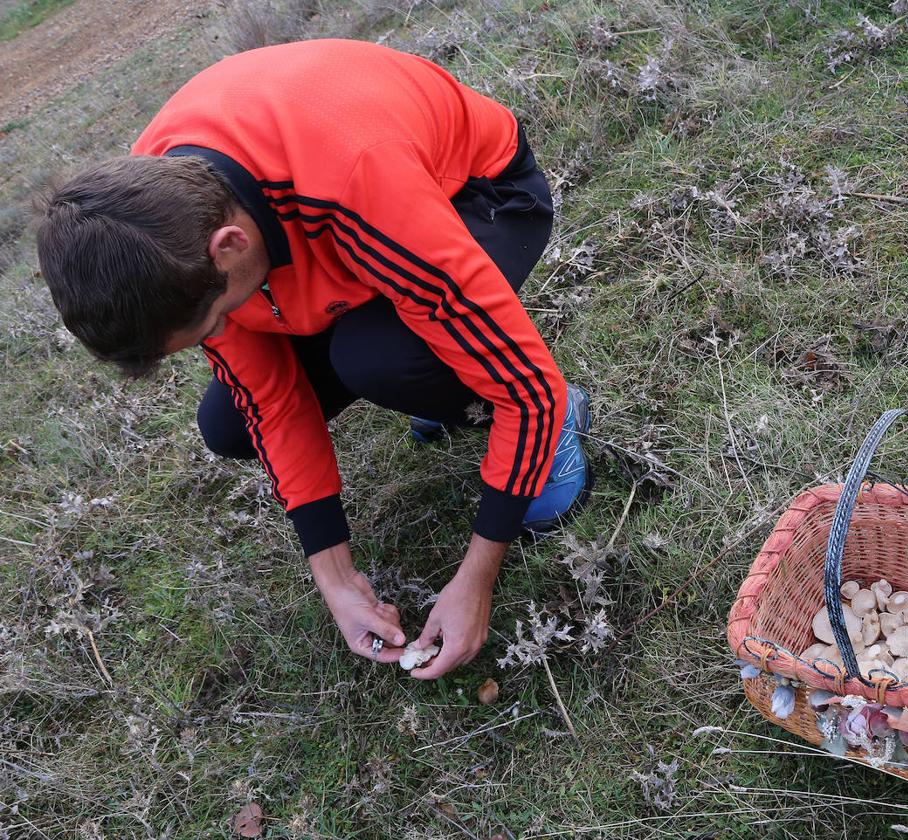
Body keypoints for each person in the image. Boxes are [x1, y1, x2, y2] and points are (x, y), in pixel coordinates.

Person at [35, 39, 592, 679]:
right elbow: (269, 401)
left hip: (474, 193)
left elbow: (529, 390)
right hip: (329, 240)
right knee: (229, 424)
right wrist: (335, 575)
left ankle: (541, 436)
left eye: (214, 323)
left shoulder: (361, 185)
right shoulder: (155, 231)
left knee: (384, 358)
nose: (218, 334)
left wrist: (476, 578)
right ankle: (444, 383)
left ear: (229, 246)